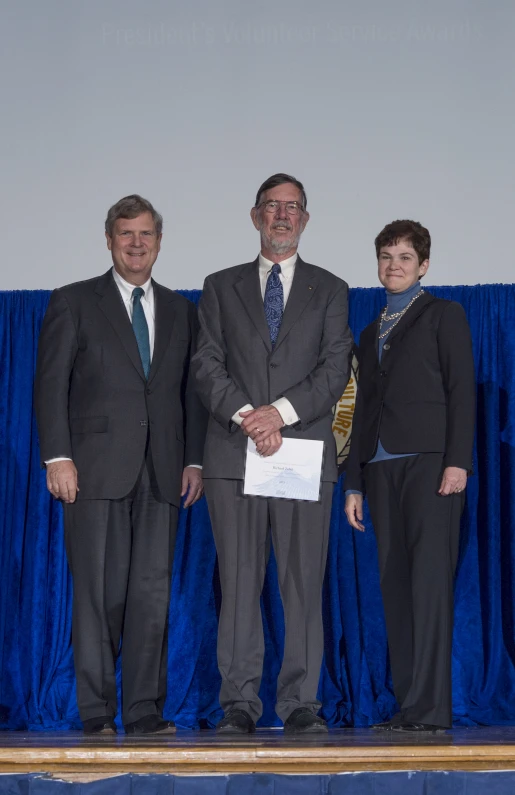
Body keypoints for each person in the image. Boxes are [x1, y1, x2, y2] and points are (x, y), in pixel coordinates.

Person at [34, 195, 206, 735]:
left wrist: (194, 461)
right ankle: (96, 711)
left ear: (159, 242)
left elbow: (190, 395)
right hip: (93, 472)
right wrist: (58, 457)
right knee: (98, 597)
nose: (136, 244)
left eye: (146, 234)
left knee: (151, 596)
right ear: (108, 240)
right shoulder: (74, 301)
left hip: (162, 473)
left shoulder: (182, 310)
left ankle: (144, 709)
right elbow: (50, 385)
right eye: (126, 234)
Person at [192, 173, 353, 734]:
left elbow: (335, 368)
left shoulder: (331, 289)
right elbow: (204, 364)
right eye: (272, 206)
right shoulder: (219, 286)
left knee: (302, 581)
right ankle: (238, 702)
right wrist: (248, 416)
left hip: (300, 454)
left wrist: (277, 414)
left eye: (292, 207)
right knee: (238, 583)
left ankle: (300, 703)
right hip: (234, 455)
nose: (282, 215)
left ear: (305, 220)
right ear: (255, 215)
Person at [345, 220, 475, 734]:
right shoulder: (370, 330)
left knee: (428, 587)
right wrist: (353, 481)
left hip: (430, 465)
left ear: (423, 265)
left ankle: (431, 710)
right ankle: (409, 706)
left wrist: (457, 460)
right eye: (385, 256)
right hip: (379, 469)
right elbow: (360, 411)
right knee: (394, 587)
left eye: (403, 257)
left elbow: (462, 390)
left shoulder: (445, 315)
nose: (393, 265)